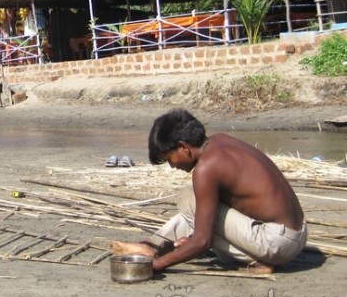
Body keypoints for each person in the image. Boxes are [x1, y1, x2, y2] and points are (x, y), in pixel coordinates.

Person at [111, 108, 307, 273]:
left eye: (169, 158)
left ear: (184, 148)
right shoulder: (219, 141)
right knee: (198, 202)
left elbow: (203, 240)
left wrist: (156, 266)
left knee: (188, 199)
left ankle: (255, 259)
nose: (172, 166)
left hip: (278, 243)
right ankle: (152, 244)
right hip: (295, 234)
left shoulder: (206, 168)